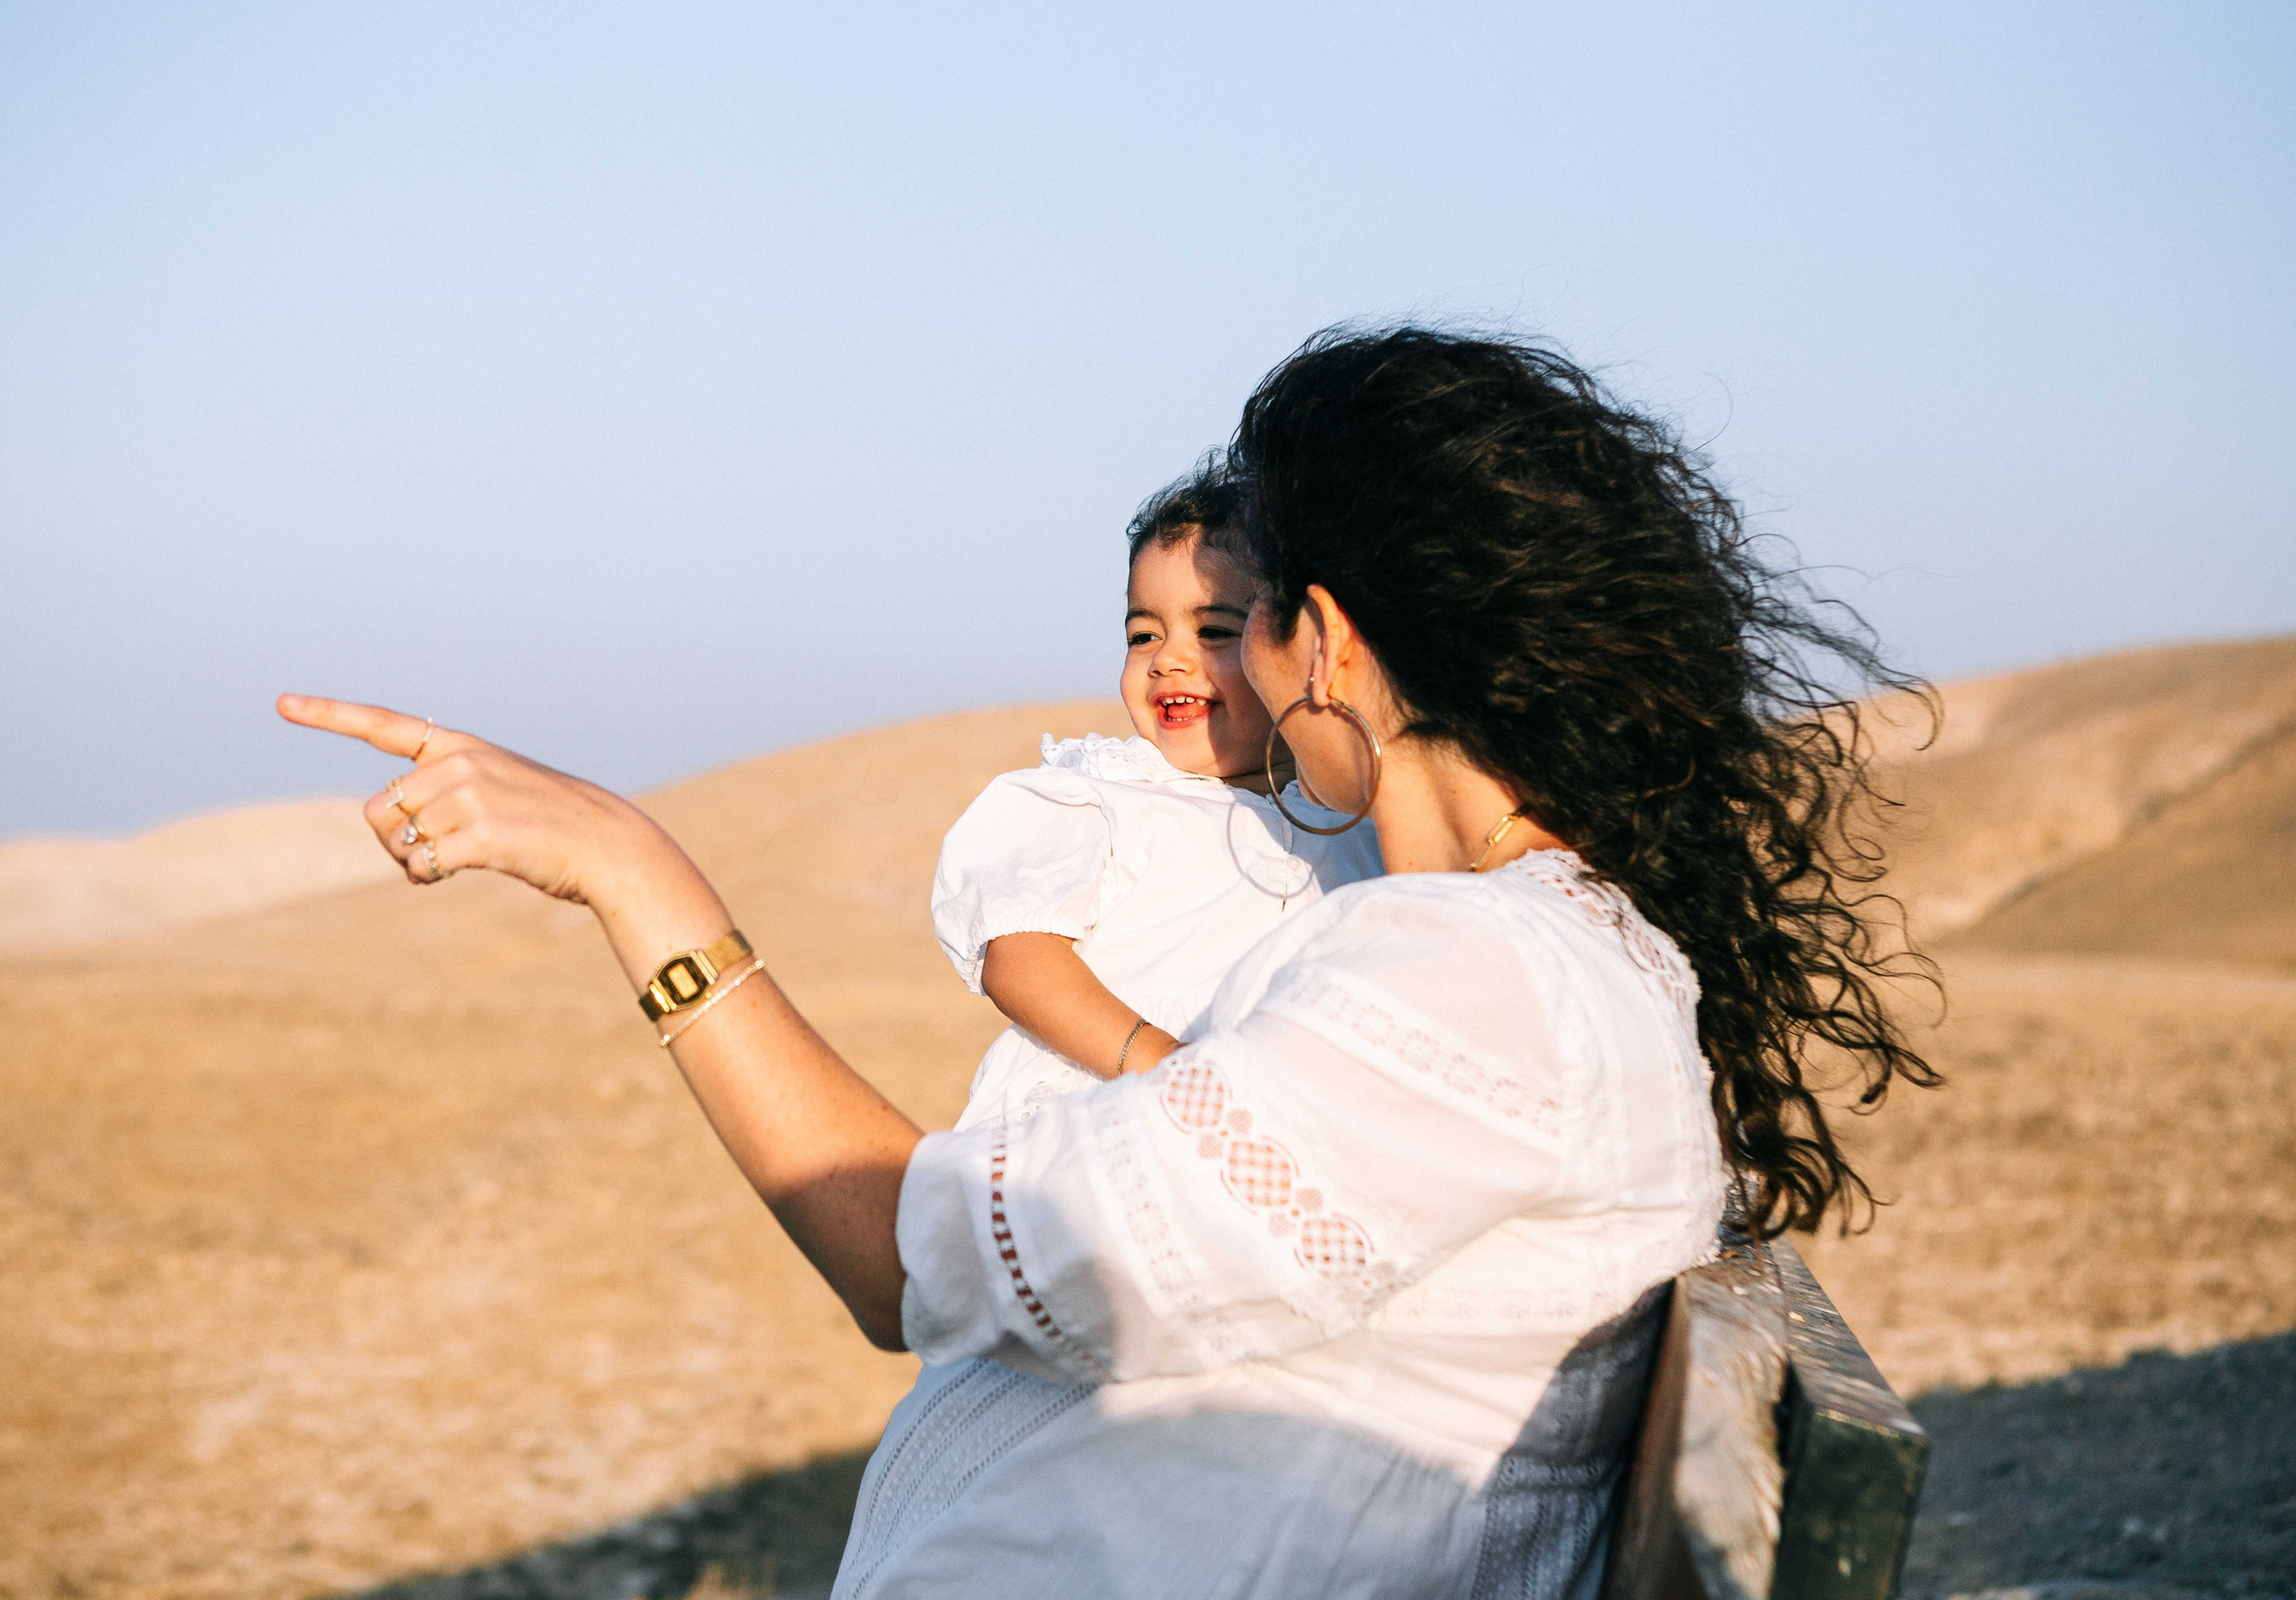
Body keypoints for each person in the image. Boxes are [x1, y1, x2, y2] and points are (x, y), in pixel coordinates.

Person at [280, 325, 1933, 1599]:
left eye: (1256, 613)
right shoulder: (1522, 946)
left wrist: (637, 880)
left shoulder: (1477, 976)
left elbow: (917, 1264)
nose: (1223, 664)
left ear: (1333, 643)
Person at [936, 464, 1382, 1129]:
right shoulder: (1102, 799)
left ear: (1301, 648)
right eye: (1143, 633)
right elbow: (1017, 957)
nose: (1168, 659)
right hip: (1103, 1122)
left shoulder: (1353, 827)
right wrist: (1168, 1069)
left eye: (1213, 632)